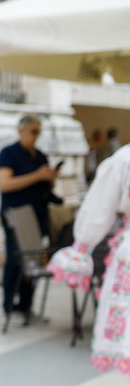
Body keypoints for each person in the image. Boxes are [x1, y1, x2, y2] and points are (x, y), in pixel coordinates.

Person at [48, 145, 130, 374]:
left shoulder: (125, 159)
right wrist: (81, 251)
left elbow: (100, 208)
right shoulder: (125, 159)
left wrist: (81, 249)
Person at [0, 114, 59, 322]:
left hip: (38, 214)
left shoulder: (40, 156)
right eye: (33, 131)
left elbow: (45, 186)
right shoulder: (9, 153)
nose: (36, 136)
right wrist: (37, 176)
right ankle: (9, 306)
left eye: (38, 132)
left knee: (34, 260)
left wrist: (49, 179)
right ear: (21, 131)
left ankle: (25, 306)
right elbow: (4, 184)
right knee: (15, 260)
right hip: (16, 215)